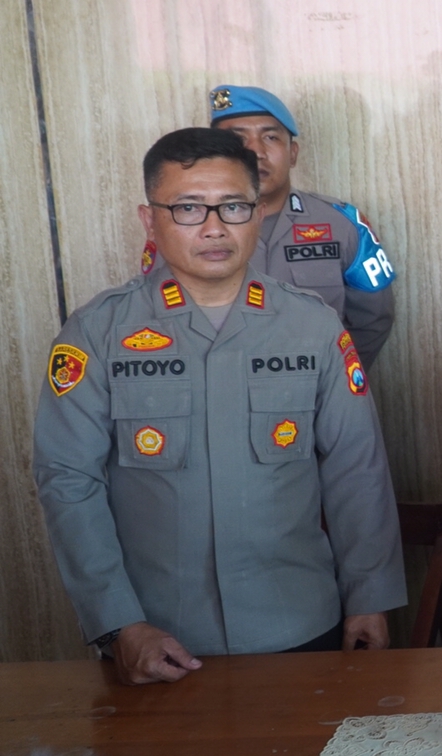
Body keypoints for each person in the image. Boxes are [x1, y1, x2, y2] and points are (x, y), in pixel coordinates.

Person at [34, 128, 405, 685]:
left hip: (300, 622)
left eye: (233, 206)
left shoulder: (313, 326)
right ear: (149, 220)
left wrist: (370, 596)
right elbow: (67, 479)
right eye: (188, 208)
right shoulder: (97, 333)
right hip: (157, 635)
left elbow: (357, 468)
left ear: (258, 214)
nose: (214, 228)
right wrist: (117, 622)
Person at [142, 86, 397, 365]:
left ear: (293, 153)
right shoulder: (180, 226)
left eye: (271, 137)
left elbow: (373, 319)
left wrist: (331, 377)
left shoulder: (341, 223)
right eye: (238, 139)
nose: (256, 152)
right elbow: (157, 316)